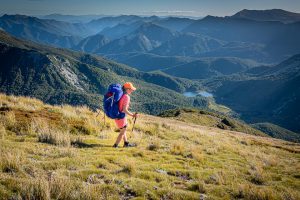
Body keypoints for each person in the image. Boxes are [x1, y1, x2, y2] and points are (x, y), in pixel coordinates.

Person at [113, 82, 138, 148]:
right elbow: (124, 109)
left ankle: (126, 143)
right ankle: (115, 145)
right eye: (131, 89)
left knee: (123, 130)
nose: (132, 91)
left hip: (117, 116)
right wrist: (133, 115)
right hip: (121, 117)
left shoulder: (120, 95)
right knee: (122, 132)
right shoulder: (126, 97)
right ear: (127, 89)